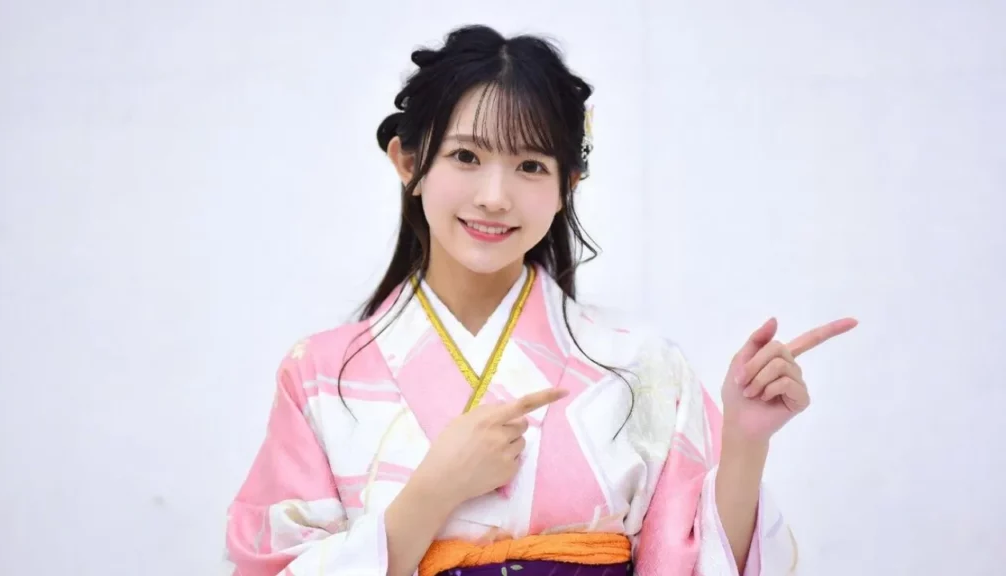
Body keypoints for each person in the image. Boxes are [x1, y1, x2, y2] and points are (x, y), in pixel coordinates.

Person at [223, 24, 856, 576]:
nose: (495, 196)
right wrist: (432, 493)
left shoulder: (645, 369)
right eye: (466, 156)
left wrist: (745, 441)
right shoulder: (319, 377)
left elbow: (697, 559)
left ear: (567, 183)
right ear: (408, 161)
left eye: (530, 166)